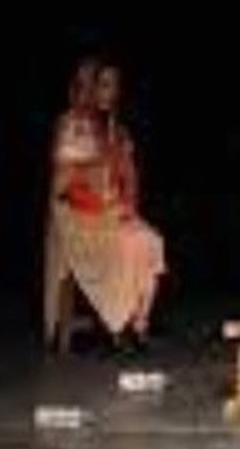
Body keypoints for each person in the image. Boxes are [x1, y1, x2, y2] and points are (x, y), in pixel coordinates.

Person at [43, 59, 166, 352]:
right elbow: (64, 184)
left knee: (150, 239)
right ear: (90, 87)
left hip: (111, 212)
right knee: (126, 242)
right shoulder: (72, 124)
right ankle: (117, 326)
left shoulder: (118, 132)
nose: (110, 92)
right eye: (104, 85)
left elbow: (130, 179)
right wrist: (101, 207)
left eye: (115, 86)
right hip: (77, 217)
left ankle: (138, 323)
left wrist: (128, 208)